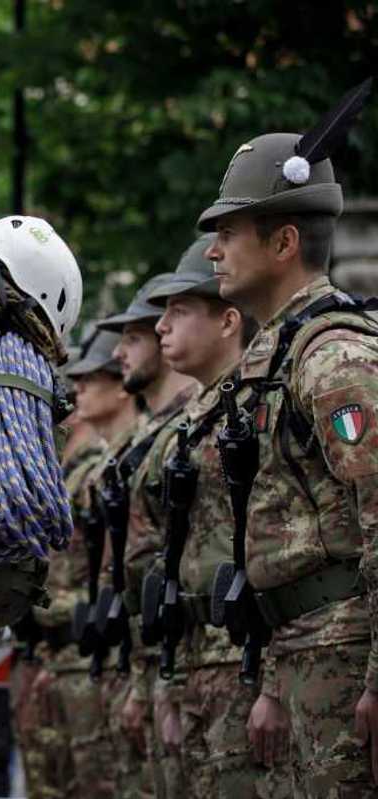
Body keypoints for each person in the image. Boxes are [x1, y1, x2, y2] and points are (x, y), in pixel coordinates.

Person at [197, 81, 378, 797]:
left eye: (227, 233)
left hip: (345, 654)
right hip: (304, 651)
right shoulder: (279, 354)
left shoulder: (335, 357)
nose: (212, 253)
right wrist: (271, 677)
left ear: (284, 241)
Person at [140, 235, 292, 797]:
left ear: (229, 323)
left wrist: (272, 684)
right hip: (200, 659)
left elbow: (277, 550)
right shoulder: (193, 421)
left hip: (248, 663)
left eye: (179, 312)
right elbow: (170, 560)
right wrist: (170, 682)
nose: (161, 328)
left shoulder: (255, 409)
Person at [94, 277, 198, 798]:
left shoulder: (190, 431)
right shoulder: (148, 441)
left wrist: (160, 682)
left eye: (132, 339)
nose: (119, 354)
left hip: (192, 667)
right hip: (151, 664)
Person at [19, 329, 128, 799]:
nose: (75, 393)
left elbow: (107, 573)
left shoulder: (100, 473)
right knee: (54, 781)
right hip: (56, 652)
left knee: (95, 781)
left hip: (87, 653)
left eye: (89, 380)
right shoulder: (65, 476)